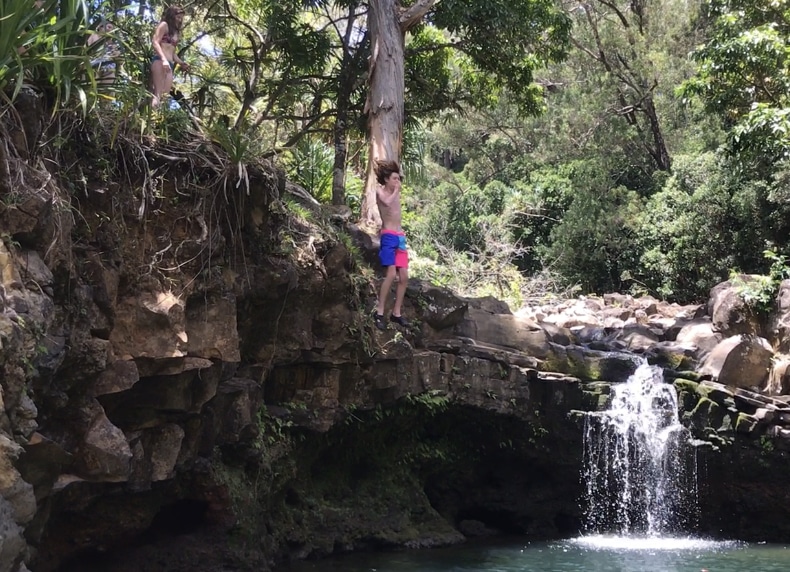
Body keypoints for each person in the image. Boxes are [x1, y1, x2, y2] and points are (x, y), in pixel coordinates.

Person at [373, 160, 409, 330]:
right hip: (388, 236)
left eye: (398, 179)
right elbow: (386, 203)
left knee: (404, 277)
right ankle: (379, 311)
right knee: (391, 274)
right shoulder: (380, 191)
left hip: (400, 236)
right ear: (387, 179)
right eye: (395, 178)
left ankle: (396, 313)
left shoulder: (395, 191)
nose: (397, 182)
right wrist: (396, 191)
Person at [150, 5, 190, 108]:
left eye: (181, 17)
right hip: (160, 61)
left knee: (165, 96)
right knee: (158, 93)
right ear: (172, 15)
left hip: (170, 64)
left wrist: (181, 63)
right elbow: (155, 42)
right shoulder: (164, 25)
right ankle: (151, 120)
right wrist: (163, 60)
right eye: (178, 17)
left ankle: (158, 120)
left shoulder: (176, 32)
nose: (180, 20)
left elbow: (172, 53)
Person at [87, 20, 120, 86]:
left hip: (109, 69)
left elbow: (117, 58)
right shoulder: (93, 36)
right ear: (100, 27)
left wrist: (116, 53)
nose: (110, 30)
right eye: (108, 27)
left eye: (112, 28)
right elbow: (86, 50)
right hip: (94, 67)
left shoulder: (112, 43)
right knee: (93, 90)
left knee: (107, 92)